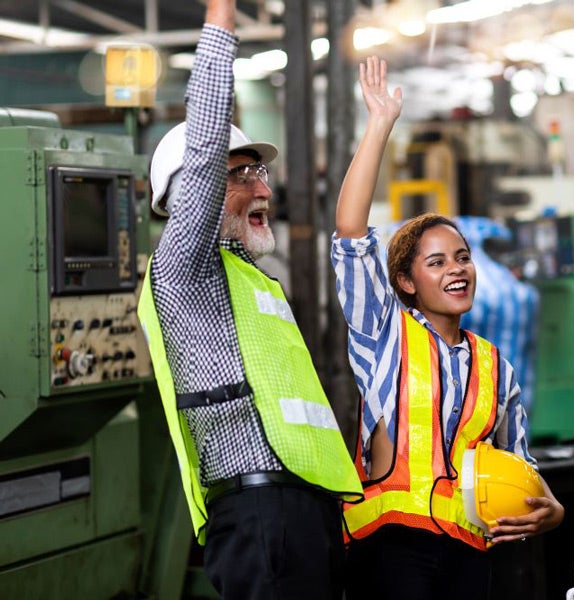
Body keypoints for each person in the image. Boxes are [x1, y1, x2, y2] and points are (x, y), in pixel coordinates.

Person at [136, 1, 362, 598]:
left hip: (306, 508)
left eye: (262, 174)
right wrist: (221, 18)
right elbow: (206, 145)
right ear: (193, 192)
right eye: (242, 175)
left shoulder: (256, 281)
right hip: (259, 514)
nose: (263, 187)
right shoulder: (184, 268)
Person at [331, 56, 565, 600]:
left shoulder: (493, 366)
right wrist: (380, 124)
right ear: (405, 282)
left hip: (468, 553)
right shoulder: (384, 336)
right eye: (436, 262)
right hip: (390, 552)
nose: (456, 268)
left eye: (462, 257)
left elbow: (519, 461)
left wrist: (550, 510)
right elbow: (349, 233)